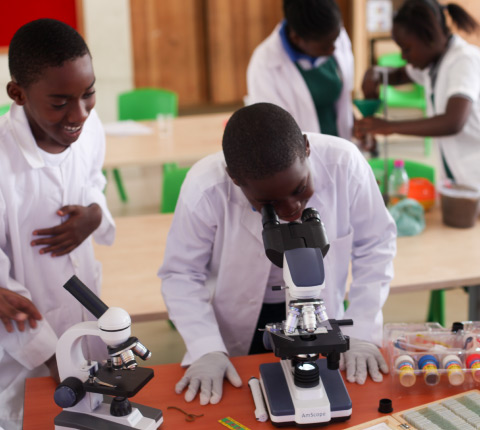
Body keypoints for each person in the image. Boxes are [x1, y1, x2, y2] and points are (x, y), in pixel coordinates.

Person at [158, 103, 397, 406]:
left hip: (318, 316)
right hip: (237, 324)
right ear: (234, 178)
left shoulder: (345, 164)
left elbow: (375, 247)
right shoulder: (206, 187)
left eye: (299, 189)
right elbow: (181, 274)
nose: (290, 210)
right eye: (269, 202)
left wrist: (361, 329)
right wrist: (206, 348)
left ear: (307, 149)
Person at [0, 18, 115, 430]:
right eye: (60, 101)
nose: (79, 113)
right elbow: (5, 294)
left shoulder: (88, 129)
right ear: (18, 94)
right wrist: (55, 357)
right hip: (26, 359)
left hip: (85, 333)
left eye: (89, 94)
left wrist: (95, 215)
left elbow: (94, 182)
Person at [356, 0, 480, 189]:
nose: (403, 57)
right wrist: (374, 73)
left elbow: (453, 122)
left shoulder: (464, 60)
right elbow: (399, 75)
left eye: (407, 49)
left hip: (474, 175)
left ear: (430, 37)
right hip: (457, 178)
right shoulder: (433, 64)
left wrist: (390, 126)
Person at [246, 0, 355, 142]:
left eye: (335, 40)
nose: (333, 49)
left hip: (342, 143)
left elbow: (342, 102)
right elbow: (274, 132)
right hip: (301, 151)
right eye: (325, 47)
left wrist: (356, 127)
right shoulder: (264, 65)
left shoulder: (332, 33)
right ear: (296, 38)